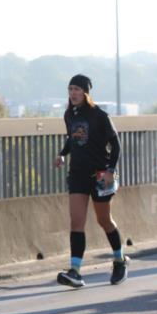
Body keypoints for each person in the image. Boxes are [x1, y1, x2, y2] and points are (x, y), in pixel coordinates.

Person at [53, 74, 128, 288]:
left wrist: (111, 170)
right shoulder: (69, 114)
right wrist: (62, 153)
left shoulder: (99, 115)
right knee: (76, 222)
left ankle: (119, 260)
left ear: (86, 92)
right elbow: (72, 138)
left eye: (77, 89)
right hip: (77, 173)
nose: (73, 93)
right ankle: (75, 271)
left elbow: (116, 144)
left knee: (104, 220)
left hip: (100, 174)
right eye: (70, 89)